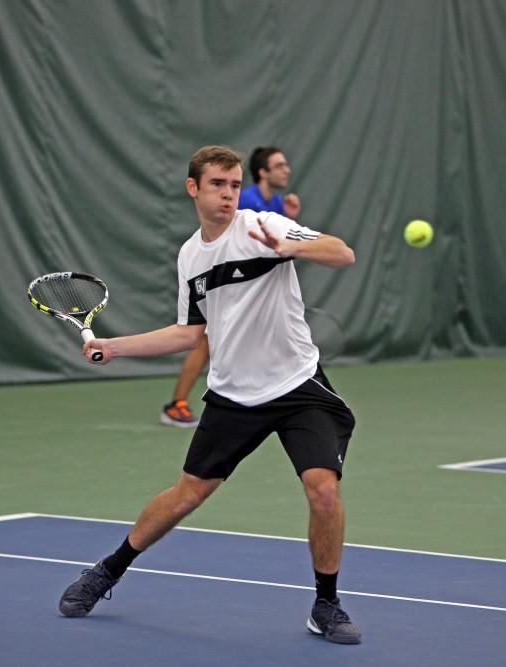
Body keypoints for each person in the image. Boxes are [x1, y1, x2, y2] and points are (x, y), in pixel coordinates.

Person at [61, 145, 361, 644]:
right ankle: (108, 571)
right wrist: (113, 347)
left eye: (234, 184)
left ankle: (326, 604)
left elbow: (342, 252)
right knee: (187, 495)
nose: (227, 194)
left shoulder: (264, 227)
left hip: (296, 387)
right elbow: (187, 333)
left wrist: (292, 247)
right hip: (232, 394)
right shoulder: (190, 255)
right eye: (217, 184)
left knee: (323, 489)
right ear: (193, 188)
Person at [160, 146, 300, 428]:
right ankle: (177, 403)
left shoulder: (276, 202)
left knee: (204, 343)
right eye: (279, 165)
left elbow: (277, 248)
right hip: (223, 286)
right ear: (263, 172)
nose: (286, 170)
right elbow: (232, 242)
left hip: (244, 291)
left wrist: (292, 218)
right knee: (201, 342)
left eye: (232, 184)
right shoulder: (247, 200)